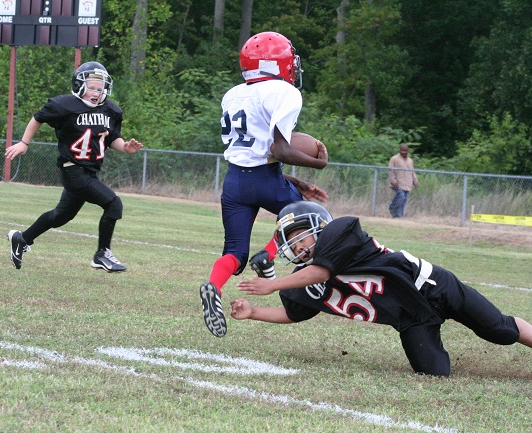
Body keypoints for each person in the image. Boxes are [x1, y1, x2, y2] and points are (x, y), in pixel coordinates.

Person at [232, 201, 532, 377]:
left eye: (301, 236)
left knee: (499, 330)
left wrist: (272, 283)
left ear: (320, 227)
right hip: (412, 315)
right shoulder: (305, 277)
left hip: (434, 287)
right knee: (434, 373)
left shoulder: (342, 230)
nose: (297, 245)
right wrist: (253, 312)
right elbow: (294, 313)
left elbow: (322, 270)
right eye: (292, 241)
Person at [200, 31, 329, 338]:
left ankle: (213, 286)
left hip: (235, 181)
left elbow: (254, 153)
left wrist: (297, 182)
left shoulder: (233, 94)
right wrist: (319, 163)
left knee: (234, 251)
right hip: (266, 179)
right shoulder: (284, 92)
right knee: (315, 221)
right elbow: (280, 150)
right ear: (277, 63)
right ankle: (269, 255)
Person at [5, 61, 143, 272]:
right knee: (114, 204)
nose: (97, 92)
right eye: (92, 87)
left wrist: (125, 147)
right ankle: (101, 254)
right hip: (72, 170)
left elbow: (111, 139)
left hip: (89, 171)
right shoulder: (64, 105)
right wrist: (24, 143)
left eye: (101, 88)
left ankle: (22, 238)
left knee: (60, 216)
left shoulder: (111, 110)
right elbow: (37, 118)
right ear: (80, 86)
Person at [388, 144, 418, 218]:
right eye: (402, 150)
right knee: (401, 197)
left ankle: (398, 215)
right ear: (399, 150)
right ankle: (392, 208)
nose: (404, 152)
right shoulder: (394, 159)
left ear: (408, 151)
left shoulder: (410, 160)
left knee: (404, 200)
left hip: (407, 184)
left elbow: (412, 171)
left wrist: (415, 181)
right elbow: (391, 171)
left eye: (405, 151)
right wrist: (394, 182)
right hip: (398, 183)